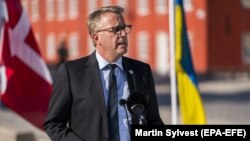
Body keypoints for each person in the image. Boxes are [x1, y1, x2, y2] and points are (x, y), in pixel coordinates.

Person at [43, 6, 163, 141]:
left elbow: (154, 122)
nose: (123, 34)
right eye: (116, 29)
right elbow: (53, 124)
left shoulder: (142, 71)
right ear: (96, 38)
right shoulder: (71, 73)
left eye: (124, 28)